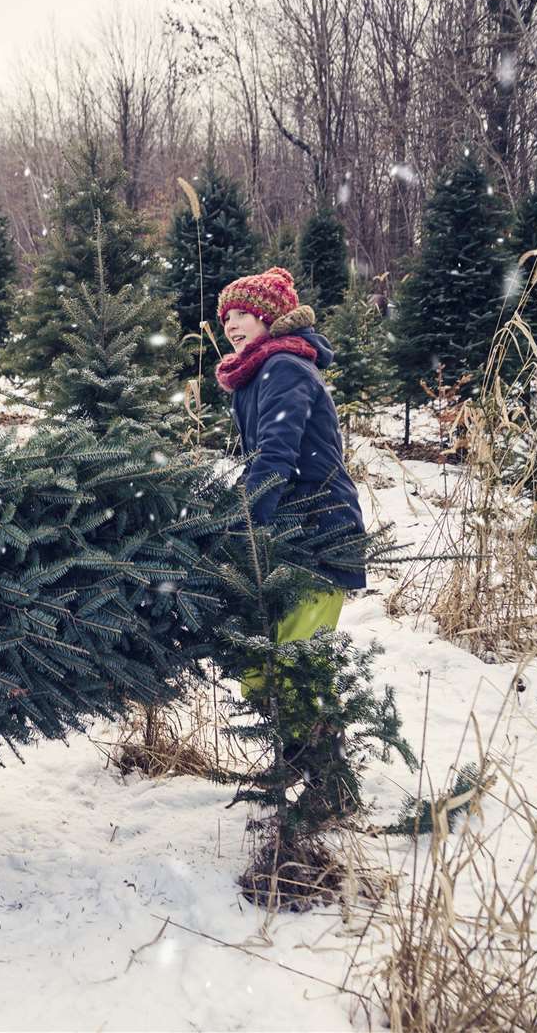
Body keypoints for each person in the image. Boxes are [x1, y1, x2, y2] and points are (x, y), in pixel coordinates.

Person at [216, 266, 367, 751]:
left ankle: (324, 780)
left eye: (243, 314)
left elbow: (275, 456)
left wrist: (244, 528)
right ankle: (293, 767)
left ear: (269, 318)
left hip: (318, 531)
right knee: (261, 666)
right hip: (287, 529)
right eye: (226, 318)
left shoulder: (284, 366)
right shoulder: (257, 371)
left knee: (299, 666)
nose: (232, 325)